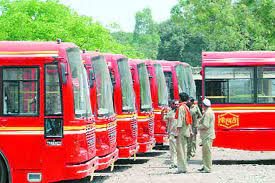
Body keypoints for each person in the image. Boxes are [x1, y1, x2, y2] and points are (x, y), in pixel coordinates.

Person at [174, 92, 192, 173]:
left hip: (181, 131)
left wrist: (176, 132)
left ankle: (182, 168)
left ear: (180, 98)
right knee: (184, 150)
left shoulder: (181, 108)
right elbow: (189, 121)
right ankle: (184, 167)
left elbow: (180, 121)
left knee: (180, 150)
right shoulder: (186, 107)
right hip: (186, 131)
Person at [198, 98, 215, 173]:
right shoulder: (209, 111)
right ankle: (205, 166)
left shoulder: (208, 113)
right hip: (207, 135)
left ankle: (207, 168)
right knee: (205, 152)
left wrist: (197, 126)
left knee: (207, 153)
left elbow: (206, 125)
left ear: (204, 105)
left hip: (207, 136)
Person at [164, 100, 178, 168]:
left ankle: (178, 163)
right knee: (173, 150)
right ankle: (174, 163)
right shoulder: (170, 113)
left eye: (177, 104)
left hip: (179, 134)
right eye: (175, 104)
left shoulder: (181, 113)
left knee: (178, 150)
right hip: (172, 134)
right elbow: (164, 119)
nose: (176, 105)